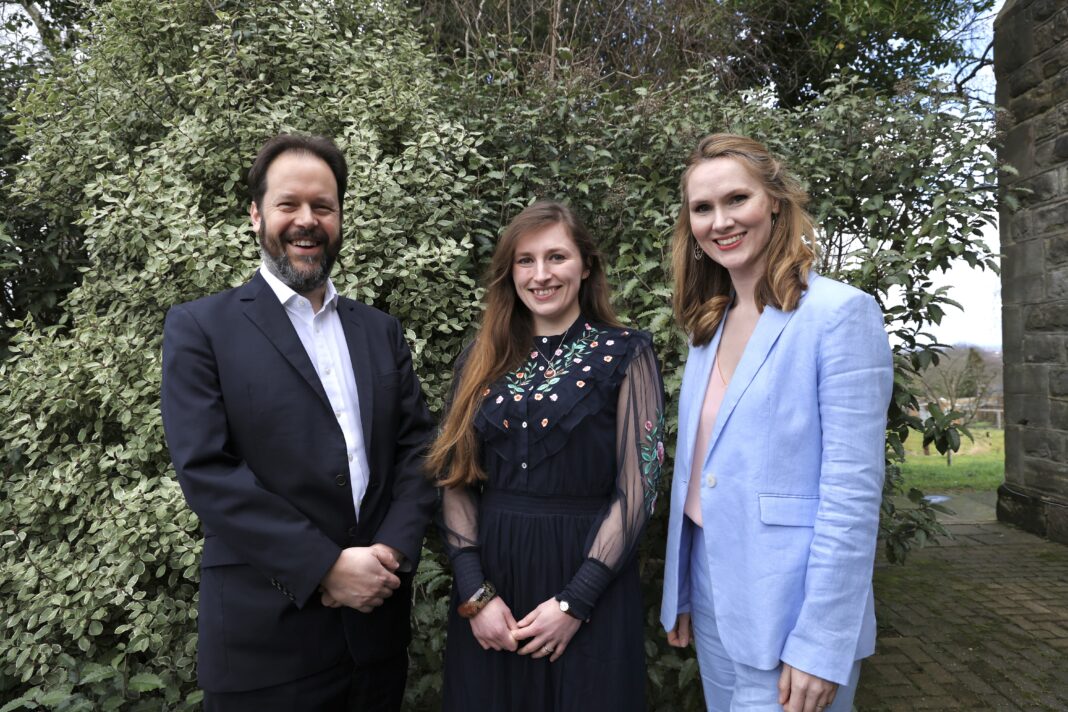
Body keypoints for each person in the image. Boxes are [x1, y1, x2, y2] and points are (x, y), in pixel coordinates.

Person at [160, 134, 436, 712]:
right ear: (257, 214)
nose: (307, 220)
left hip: (376, 639)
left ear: (339, 218)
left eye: (323, 206)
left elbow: (418, 449)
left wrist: (391, 550)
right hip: (266, 650)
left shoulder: (380, 331)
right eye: (288, 204)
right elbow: (207, 471)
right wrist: (324, 567)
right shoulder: (201, 328)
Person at [659, 134, 893, 712]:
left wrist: (821, 642)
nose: (720, 221)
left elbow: (852, 495)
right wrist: (682, 588)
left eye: (737, 199)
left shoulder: (839, 314)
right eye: (702, 208)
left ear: (776, 204)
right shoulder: (708, 326)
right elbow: (702, 471)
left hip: (792, 608)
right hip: (713, 592)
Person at [426, 200, 666, 711]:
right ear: (509, 272)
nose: (541, 274)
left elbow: (639, 490)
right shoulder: (480, 357)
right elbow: (455, 478)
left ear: (586, 265)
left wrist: (576, 601)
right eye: (525, 260)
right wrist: (476, 595)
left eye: (556, 257)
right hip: (494, 590)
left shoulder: (627, 352)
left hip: (591, 582)